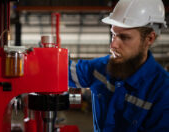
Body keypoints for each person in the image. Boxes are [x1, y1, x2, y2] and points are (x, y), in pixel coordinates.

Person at [68, 0, 169, 131]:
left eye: (125, 37)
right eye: (113, 34)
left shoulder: (162, 91)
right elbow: (61, 70)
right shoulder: (101, 68)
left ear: (149, 39)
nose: (113, 45)